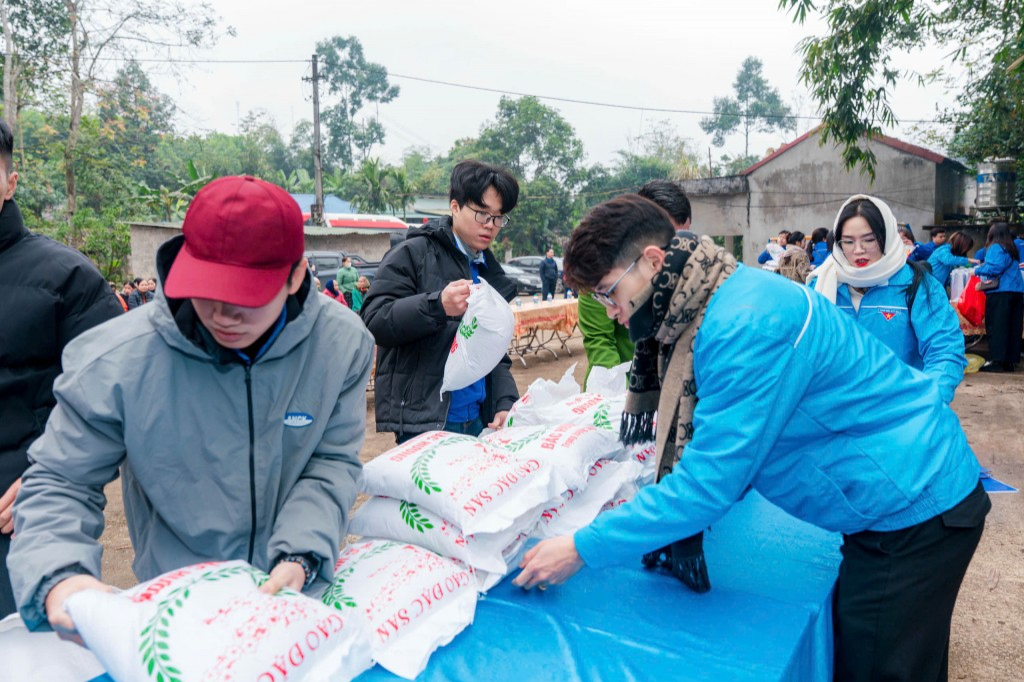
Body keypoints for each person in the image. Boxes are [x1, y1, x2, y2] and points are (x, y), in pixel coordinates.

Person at [514, 194, 989, 682]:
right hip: (894, 493)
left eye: (608, 292)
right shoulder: (720, 294)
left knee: (876, 667)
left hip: (912, 508)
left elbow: (708, 483)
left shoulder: (744, 324)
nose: (611, 311)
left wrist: (579, 548)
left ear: (653, 262)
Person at [8, 175, 374, 635]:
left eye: (245, 297)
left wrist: (302, 552)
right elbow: (61, 480)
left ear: (297, 275)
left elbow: (330, 462)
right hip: (175, 609)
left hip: (292, 602)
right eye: (207, 289)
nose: (222, 314)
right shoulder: (116, 359)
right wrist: (59, 578)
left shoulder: (341, 345)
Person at [0, 119, 124, 620]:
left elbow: (113, 400)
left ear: (10, 181)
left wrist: (46, 479)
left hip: (21, 518)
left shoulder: (67, 278)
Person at [362, 160, 520, 442]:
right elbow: (374, 320)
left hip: (478, 419)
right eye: (482, 214)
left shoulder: (488, 271)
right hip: (427, 421)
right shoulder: (412, 253)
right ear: (455, 206)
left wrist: (504, 400)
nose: (491, 226)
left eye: (499, 217)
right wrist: (436, 305)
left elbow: (491, 345)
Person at [809, 196, 966, 403]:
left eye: (869, 239)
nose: (858, 250)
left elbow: (944, 349)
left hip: (899, 412)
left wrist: (928, 402)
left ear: (888, 237)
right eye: (848, 241)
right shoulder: (820, 286)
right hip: (836, 414)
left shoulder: (917, 286)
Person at [974, 222, 1024, 373]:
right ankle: (1010, 361)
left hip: (1001, 292)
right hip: (1017, 292)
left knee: (997, 326)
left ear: (992, 234)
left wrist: (977, 270)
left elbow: (994, 268)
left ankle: (997, 360)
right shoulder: (1011, 248)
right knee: (1012, 327)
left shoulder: (995, 247)